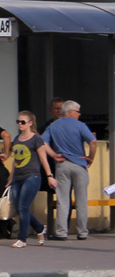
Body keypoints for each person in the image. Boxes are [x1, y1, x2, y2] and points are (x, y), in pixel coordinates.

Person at [41, 100, 98, 241]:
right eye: (78, 112)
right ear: (71, 112)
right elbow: (93, 141)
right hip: (79, 165)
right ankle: (82, 232)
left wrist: (53, 154)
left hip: (62, 165)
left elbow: (42, 142)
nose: (79, 114)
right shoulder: (80, 125)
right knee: (81, 200)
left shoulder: (53, 126)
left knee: (62, 200)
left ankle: (61, 232)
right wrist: (90, 158)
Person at [6, 111, 58, 248]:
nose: (19, 124)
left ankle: (22, 239)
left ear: (30, 123)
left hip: (32, 176)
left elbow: (43, 159)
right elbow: (15, 161)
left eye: (22, 122)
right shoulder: (17, 139)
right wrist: (10, 178)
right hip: (18, 177)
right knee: (19, 208)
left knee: (23, 207)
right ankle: (40, 228)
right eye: (18, 121)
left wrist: (50, 176)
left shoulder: (36, 139)